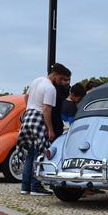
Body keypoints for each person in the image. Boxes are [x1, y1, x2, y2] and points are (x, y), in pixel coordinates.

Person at [17, 63, 72, 196]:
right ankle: (36, 186)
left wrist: (30, 107)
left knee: (30, 153)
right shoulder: (50, 88)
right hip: (39, 118)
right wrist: (50, 129)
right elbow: (47, 109)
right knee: (39, 154)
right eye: (62, 79)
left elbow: (25, 97)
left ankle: (25, 186)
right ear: (56, 75)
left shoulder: (37, 80)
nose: (62, 82)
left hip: (28, 116)